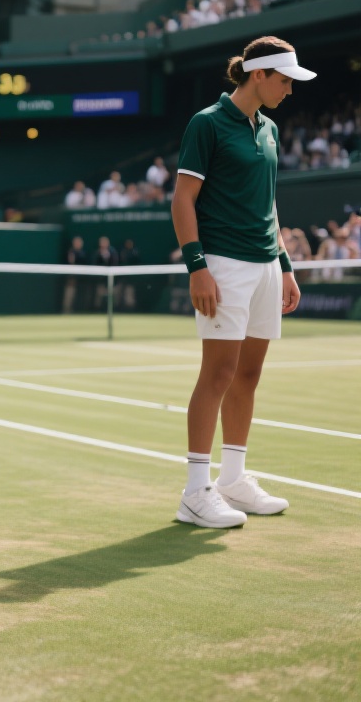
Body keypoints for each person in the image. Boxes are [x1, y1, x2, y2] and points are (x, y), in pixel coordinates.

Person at [171, 36, 313, 529]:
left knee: (248, 376)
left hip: (265, 266)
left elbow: (268, 205)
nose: (289, 90)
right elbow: (183, 199)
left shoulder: (269, 128)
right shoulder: (207, 123)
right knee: (218, 373)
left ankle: (233, 480)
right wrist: (198, 267)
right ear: (259, 75)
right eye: (285, 81)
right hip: (223, 264)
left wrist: (286, 265)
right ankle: (194, 492)